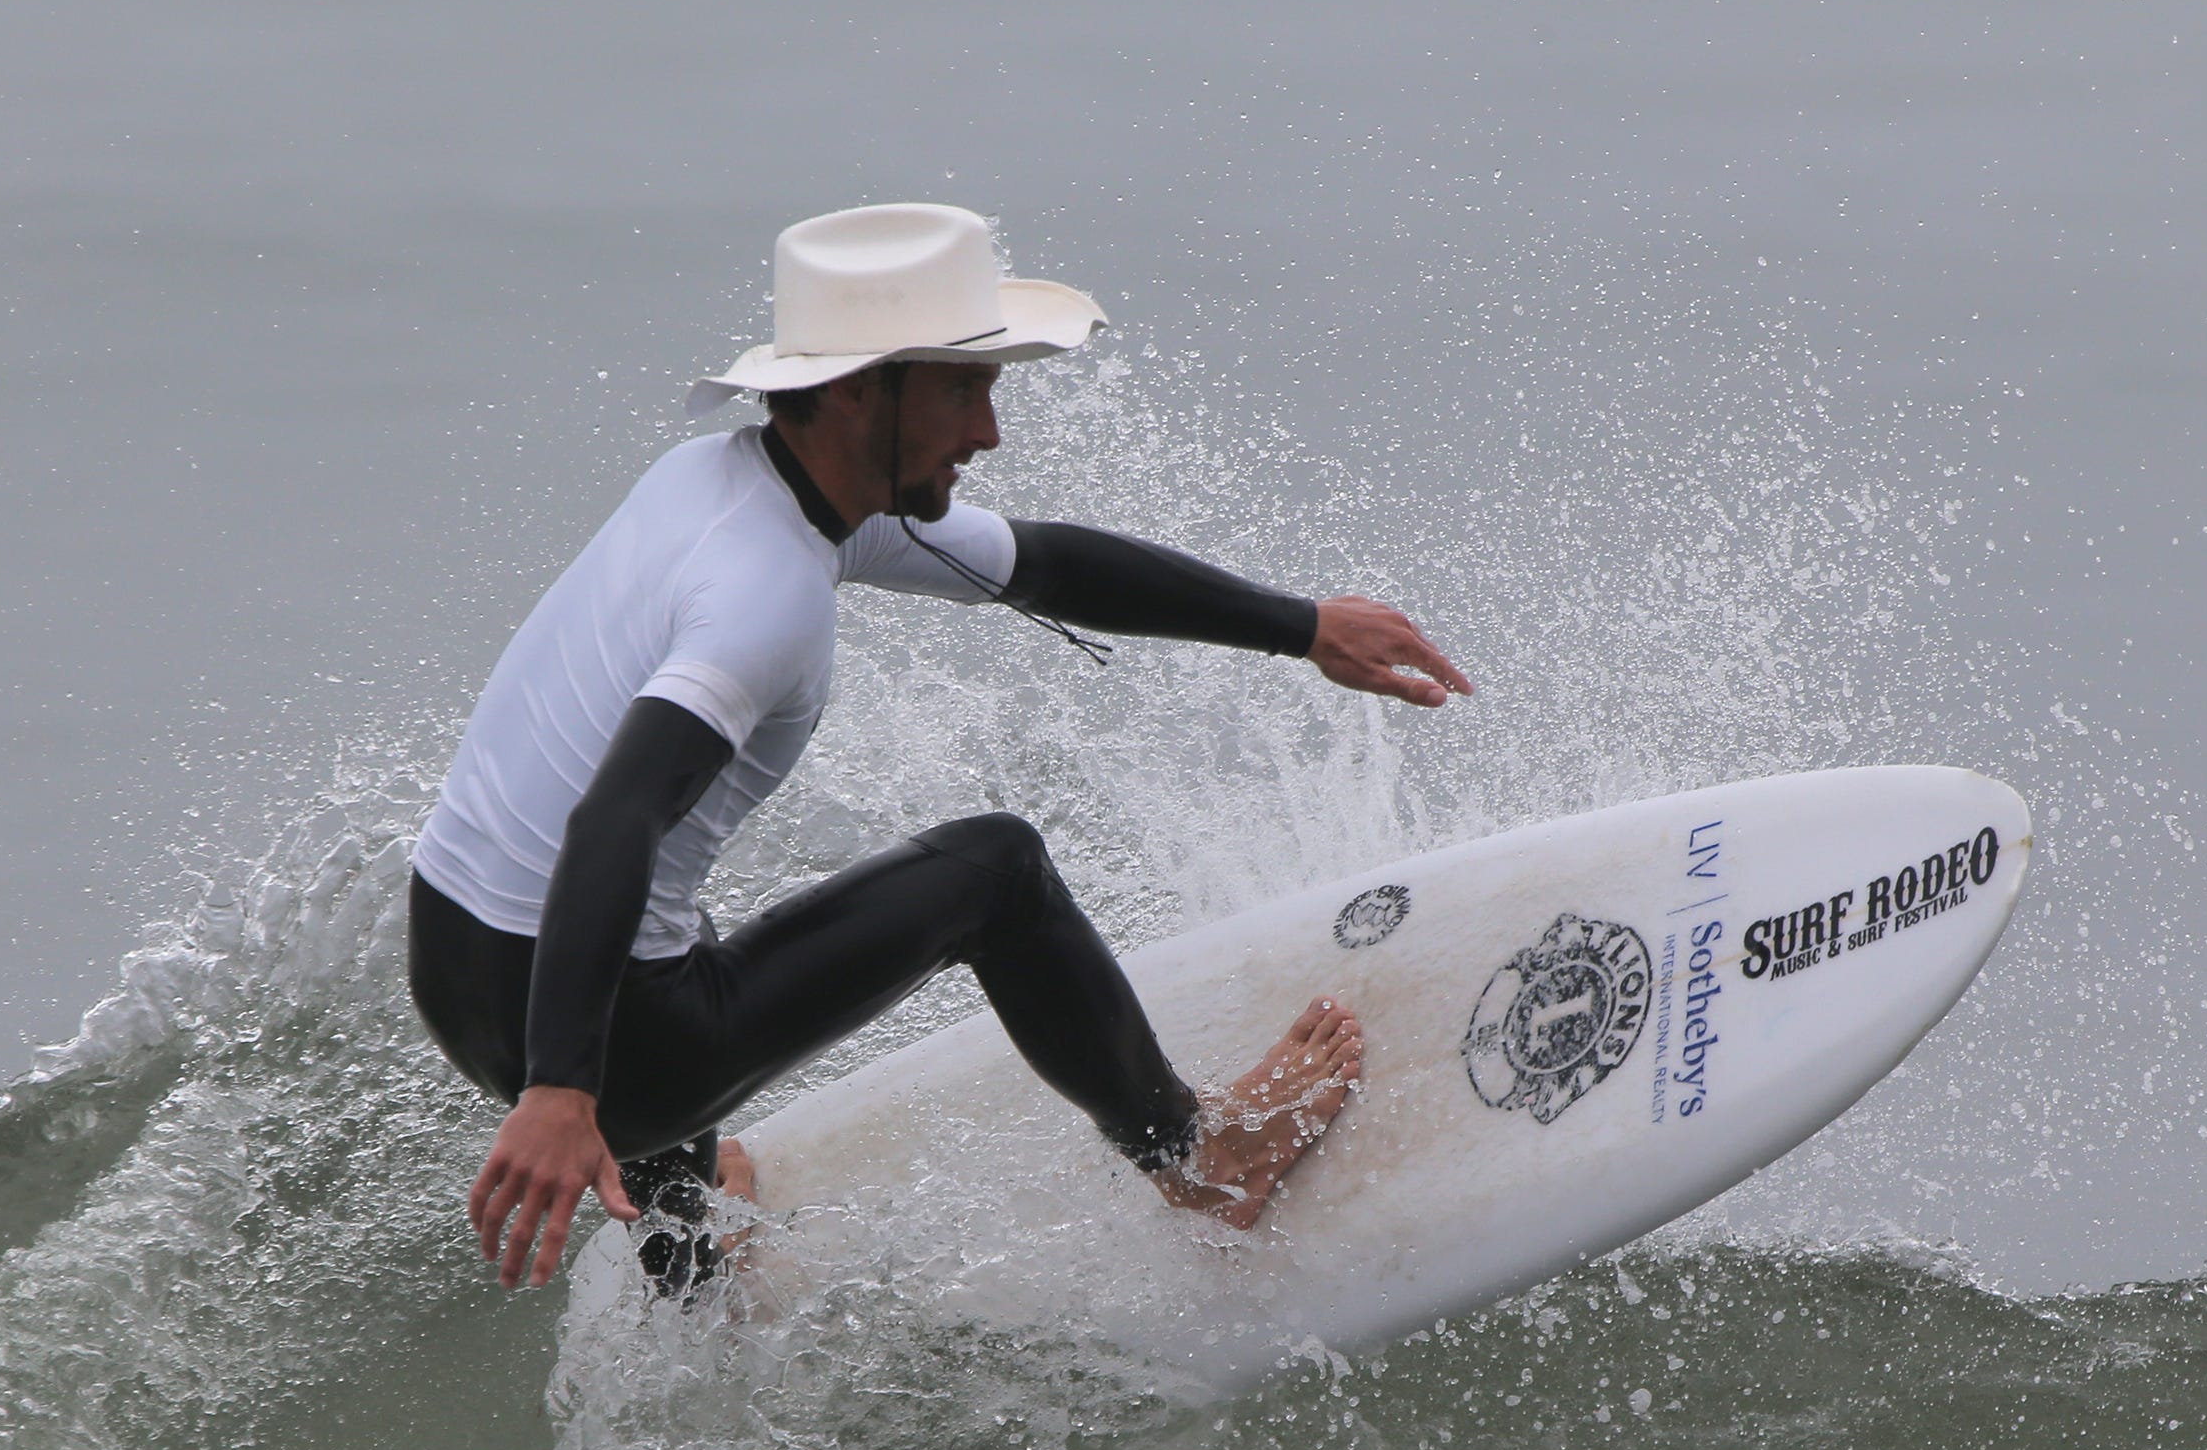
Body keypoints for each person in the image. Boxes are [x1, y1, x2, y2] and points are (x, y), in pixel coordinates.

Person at [407, 203, 1470, 1291]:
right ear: (862, 388)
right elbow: (616, 814)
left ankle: (690, 1240)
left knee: (672, 900)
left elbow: (1046, 566)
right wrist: (563, 1092)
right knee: (996, 872)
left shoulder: (732, 483)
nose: (988, 433)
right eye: (964, 390)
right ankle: (1204, 1158)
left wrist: (1305, 628)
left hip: (456, 963)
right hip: (597, 1041)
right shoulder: (763, 594)